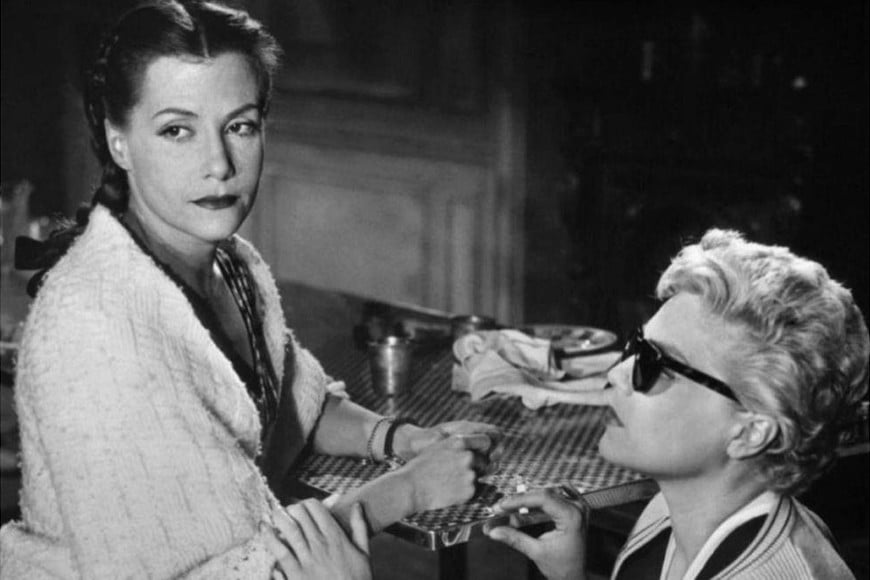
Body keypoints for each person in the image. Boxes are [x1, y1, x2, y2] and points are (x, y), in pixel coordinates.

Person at [0, 1, 499, 578]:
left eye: (239, 126)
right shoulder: (95, 326)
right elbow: (210, 570)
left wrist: (401, 440)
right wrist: (407, 490)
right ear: (119, 142)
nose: (219, 164)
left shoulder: (234, 267)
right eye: (177, 131)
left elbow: (294, 403)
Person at [487, 229, 868, 580]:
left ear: (751, 432)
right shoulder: (670, 511)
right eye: (636, 347)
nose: (617, 373)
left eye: (654, 364)